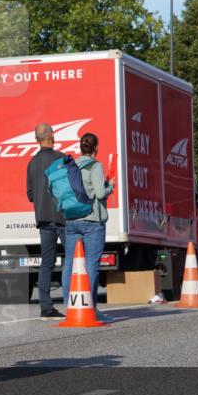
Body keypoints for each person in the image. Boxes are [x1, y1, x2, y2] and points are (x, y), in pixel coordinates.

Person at [61, 133, 113, 312]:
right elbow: (99, 193)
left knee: (69, 263)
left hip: (72, 220)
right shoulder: (95, 166)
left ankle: (70, 303)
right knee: (91, 263)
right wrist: (110, 186)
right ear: (96, 148)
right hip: (92, 221)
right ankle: (89, 306)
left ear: (80, 147)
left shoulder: (71, 165)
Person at [26, 123, 65, 319]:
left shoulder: (32, 163)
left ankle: (46, 307)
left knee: (46, 263)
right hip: (63, 217)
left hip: (43, 218)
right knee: (75, 260)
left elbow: (30, 194)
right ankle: (75, 301)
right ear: (52, 136)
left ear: (36, 139)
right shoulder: (61, 159)